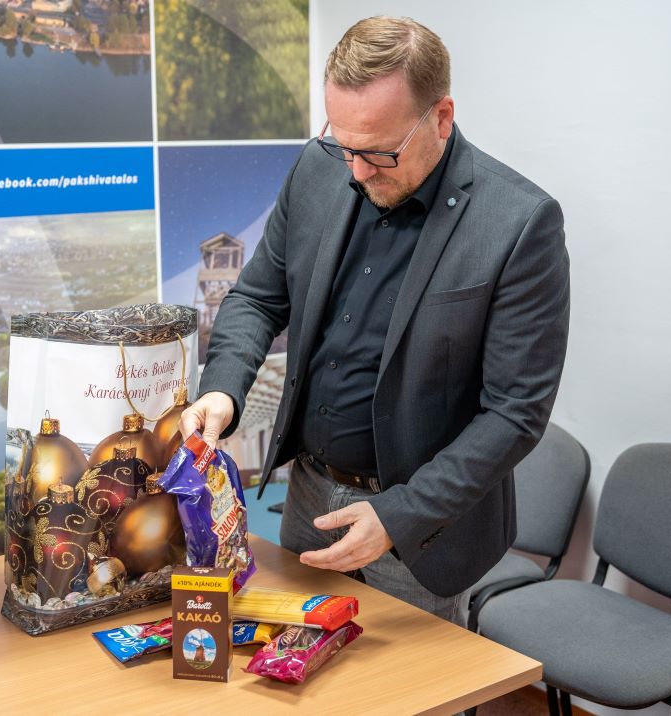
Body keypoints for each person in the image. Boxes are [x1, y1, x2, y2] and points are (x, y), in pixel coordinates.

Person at [181, 16, 570, 625]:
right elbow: (257, 297)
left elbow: (515, 412)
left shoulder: (518, 223)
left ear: (441, 118)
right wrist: (222, 389)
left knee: (408, 681)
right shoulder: (319, 169)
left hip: (422, 527)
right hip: (310, 495)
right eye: (344, 144)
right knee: (289, 665)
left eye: (380, 152)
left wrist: (398, 516)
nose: (358, 171)